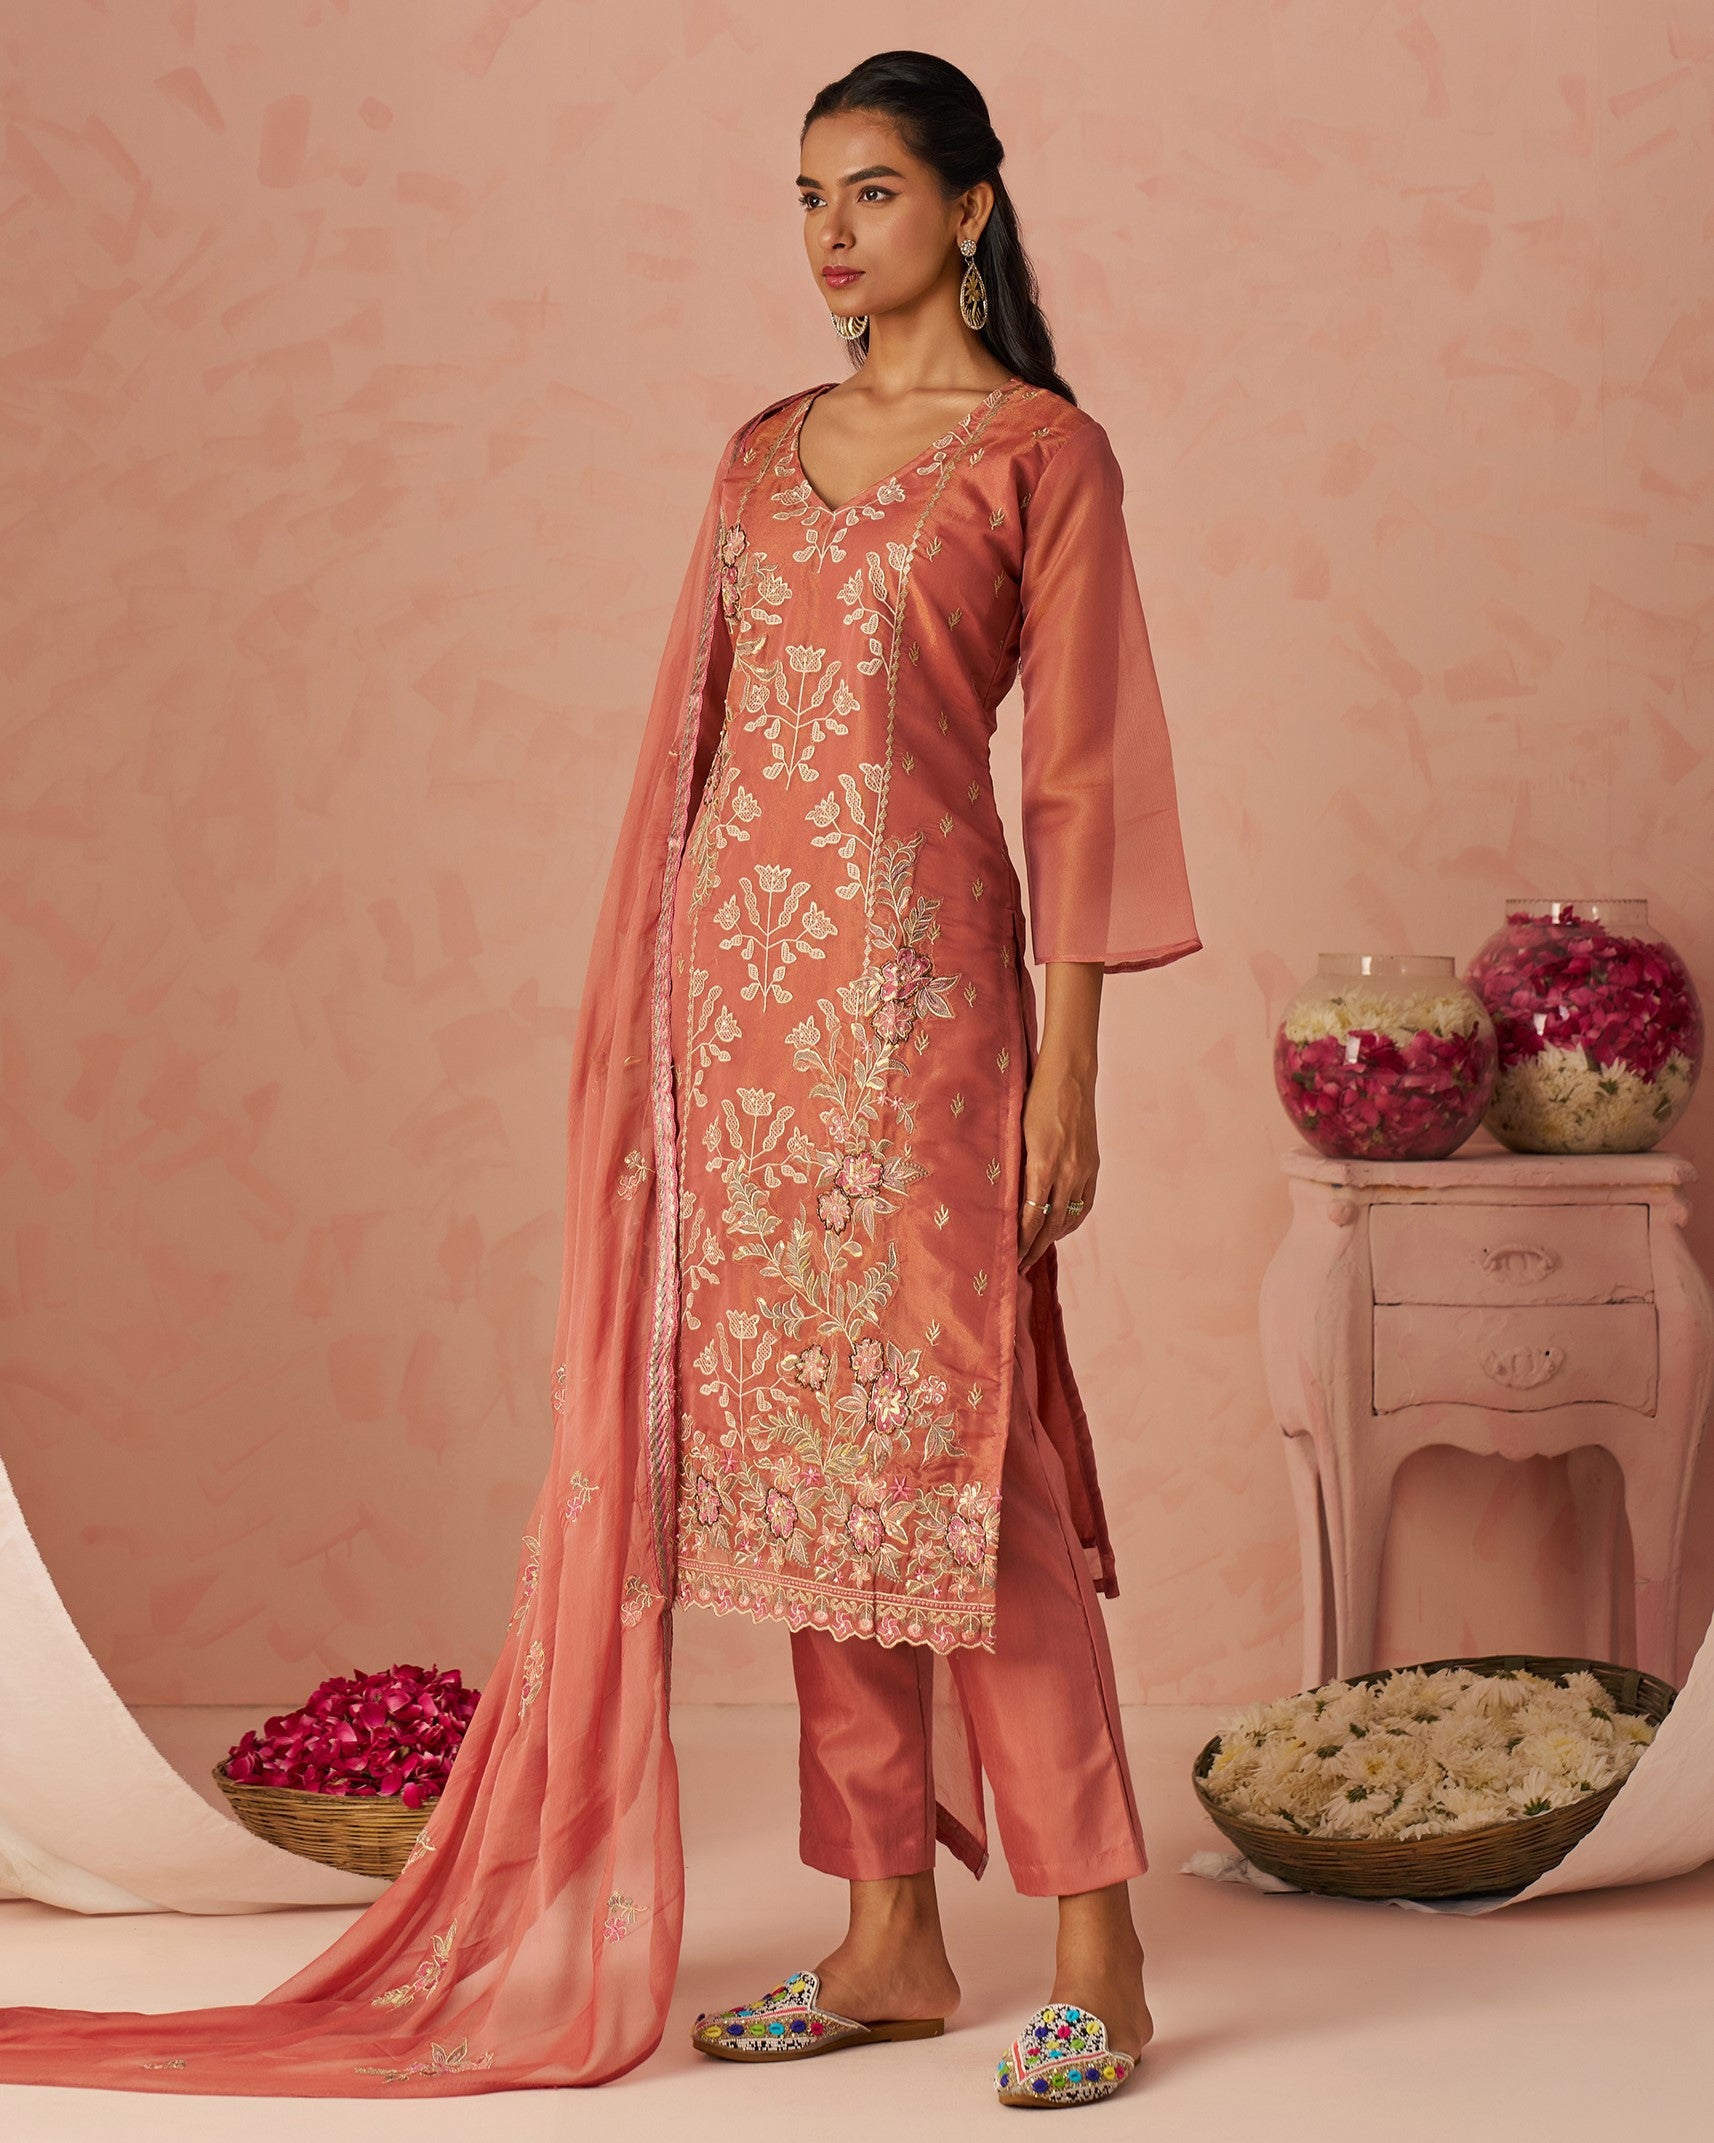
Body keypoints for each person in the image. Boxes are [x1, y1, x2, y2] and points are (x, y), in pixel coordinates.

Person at [0, 50, 1197, 2109]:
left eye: (877, 192)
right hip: (729, 1036)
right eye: (807, 195)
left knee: (958, 1475)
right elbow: (695, 765)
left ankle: (1102, 1946)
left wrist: (1065, 1083)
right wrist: (646, 1054)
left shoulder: (1038, 458)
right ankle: (884, 1939)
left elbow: (1077, 791)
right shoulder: (751, 459)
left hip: (924, 1033)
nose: (833, 233)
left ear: (976, 212)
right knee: (798, 1506)